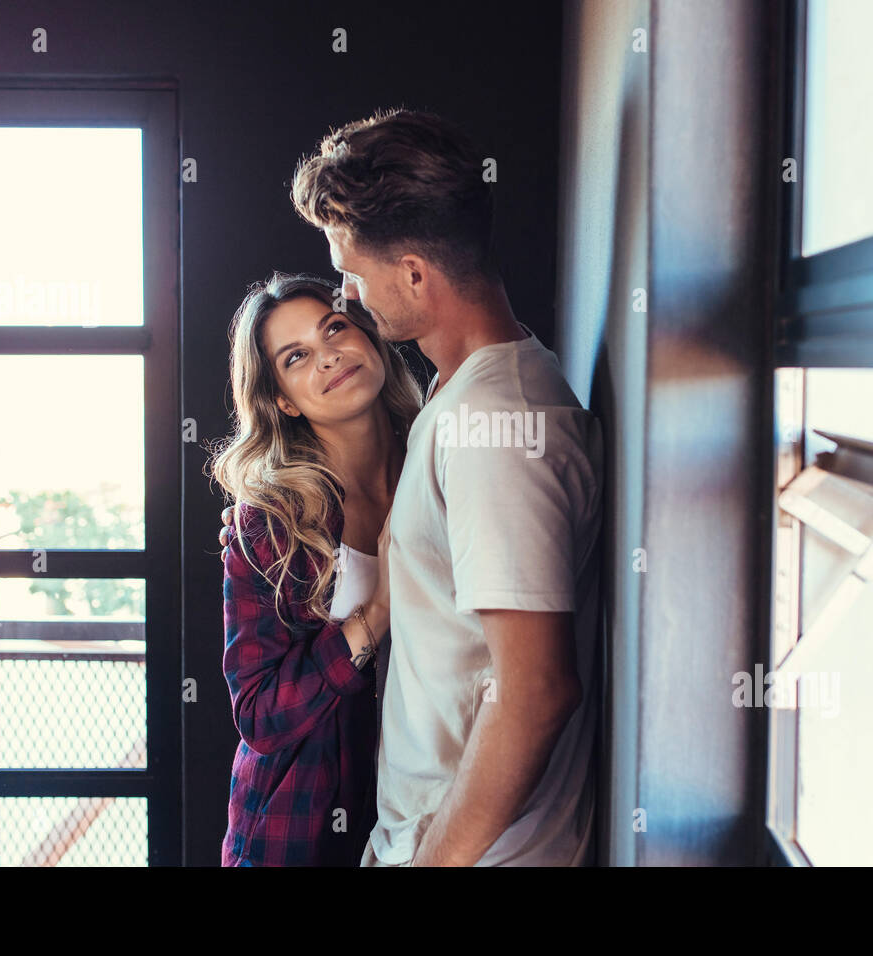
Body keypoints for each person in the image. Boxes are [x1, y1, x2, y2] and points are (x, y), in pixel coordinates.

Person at [287, 107, 605, 866]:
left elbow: (537, 692)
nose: (345, 294)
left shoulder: (497, 428)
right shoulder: (460, 392)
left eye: (352, 271)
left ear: (415, 276)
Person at [207, 271, 422, 865]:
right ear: (280, 398)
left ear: (370, 337)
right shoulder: (271, 519)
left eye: (335, 328)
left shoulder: (441, 457)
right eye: (297, 357)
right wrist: (372, 617)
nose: (328, 358)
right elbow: (259, 715)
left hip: (425, 810)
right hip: (297, 834)